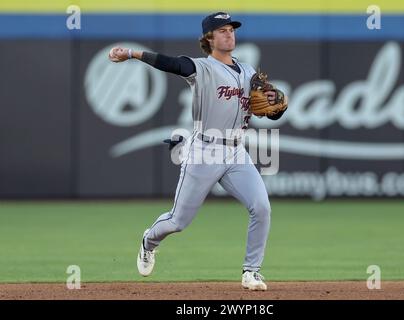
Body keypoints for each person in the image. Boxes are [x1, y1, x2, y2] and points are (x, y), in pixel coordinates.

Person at [108, 12, 287, 291]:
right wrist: (133, 53)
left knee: (261, 207)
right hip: (204, 150)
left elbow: (270, 112)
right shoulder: (202, 68)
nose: (229, 34)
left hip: (236, 152)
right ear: (209, 38)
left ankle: (251, 271)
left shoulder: (249, 71)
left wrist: (278, 105)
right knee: (178, 221)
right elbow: (172, 64)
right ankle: (148, 241)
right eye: (222, 30)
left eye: (231, 29)